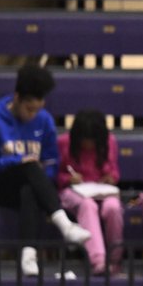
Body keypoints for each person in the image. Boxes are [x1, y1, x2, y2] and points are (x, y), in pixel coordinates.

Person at [0, 63, 89, 277]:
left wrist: (40, 177)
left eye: (37, 110)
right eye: (29, 109)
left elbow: (51, 163)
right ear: (16, 98)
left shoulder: (45, 120)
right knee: (29, 167)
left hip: (31, 184)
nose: (33, 115)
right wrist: (18, 161)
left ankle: (28, 254)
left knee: (30, 189)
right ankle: (64, 224)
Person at [56, 108, 123, 276]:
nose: (89, 144)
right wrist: (67, 178)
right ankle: (98, 260)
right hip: (72, 191)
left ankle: (115, 259)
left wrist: (111, 177)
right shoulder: (63, 142)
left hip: (101, 189)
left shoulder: (110, 141)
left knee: (113, 207)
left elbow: (114, 170)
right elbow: (54, 174)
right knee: (87, 206)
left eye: (93, 140)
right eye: (85, 140)